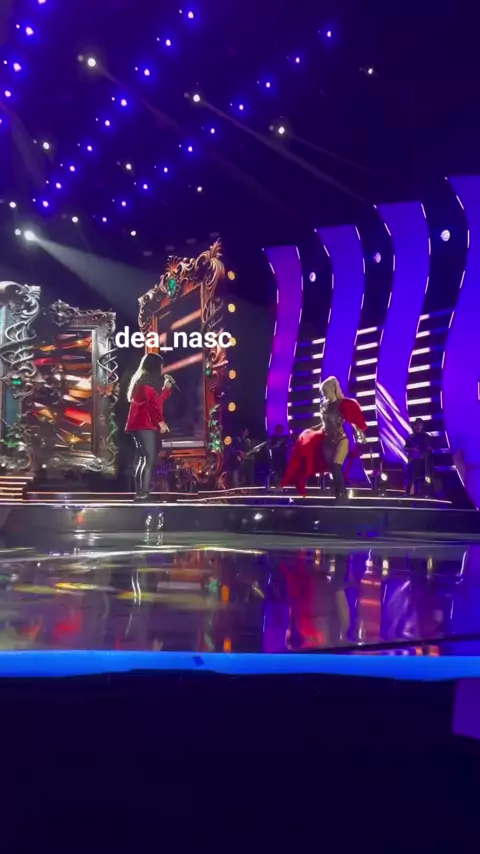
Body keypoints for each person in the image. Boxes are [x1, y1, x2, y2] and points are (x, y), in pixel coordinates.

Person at [282, 376, 367, 501]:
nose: (324, 394)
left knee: (336, 466)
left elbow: (353, 419)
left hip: (341, 439)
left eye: (325, 391)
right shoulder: (325, 405)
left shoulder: (343, 404)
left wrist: (360, 433)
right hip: (327, 441)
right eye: (323, 392)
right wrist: (311, 431)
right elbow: (325, 423)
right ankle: (338, 495)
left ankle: (342, 495)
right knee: (332, 469)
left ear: (332, 389)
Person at [125, 353, 173, 500]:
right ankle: (144, 492)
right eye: (160, 366)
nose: (162, 369)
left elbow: (155, 401)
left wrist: (166, 390)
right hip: (145, 425)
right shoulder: (146, 382)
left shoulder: (142, 380)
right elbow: (154, 405)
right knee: (149, 459)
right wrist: (161, 422)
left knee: (143, 458)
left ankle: (140, 492)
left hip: (138, 426)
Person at [404, 418, 432, 495]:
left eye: (419, 425)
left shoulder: (426, 437)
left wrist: (426, 448)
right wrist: (413, 449)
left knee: (424, 481)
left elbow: (430, 448)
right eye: (416, 425)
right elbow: (405, 448)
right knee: (411, 480)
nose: (417, 426)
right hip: (413, 462)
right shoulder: (411, 437)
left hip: (424, 463)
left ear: (422, 426)